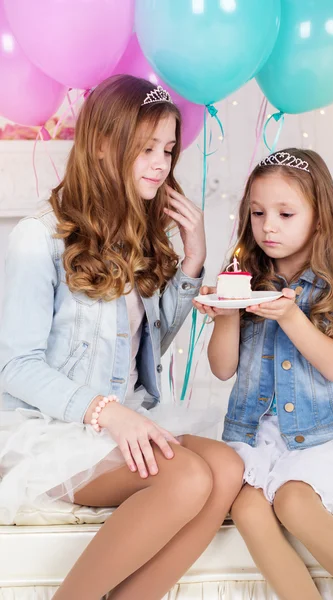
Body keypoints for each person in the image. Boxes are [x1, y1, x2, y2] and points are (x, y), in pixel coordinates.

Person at [0, 75, 244, 600]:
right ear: (105, 144)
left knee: (226, 467)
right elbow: (14, 365)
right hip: (50, 434)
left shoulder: (138, 236)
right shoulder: (37, 237)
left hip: (115, 424)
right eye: (146, 149)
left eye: (169, 150)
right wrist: (106, 411)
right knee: (187, 479)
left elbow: (145, 353)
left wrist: (193, 262)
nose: (161, 163)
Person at [194, 149, 333, 600]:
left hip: (322, 438)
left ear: (319, 219)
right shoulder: (243, 279)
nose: (268, 226)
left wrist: (290, 317)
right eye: (258, 212)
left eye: (285, 213)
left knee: (292, 501)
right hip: (257, 437)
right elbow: (222, 369)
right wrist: (225, 313)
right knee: (247, 507)